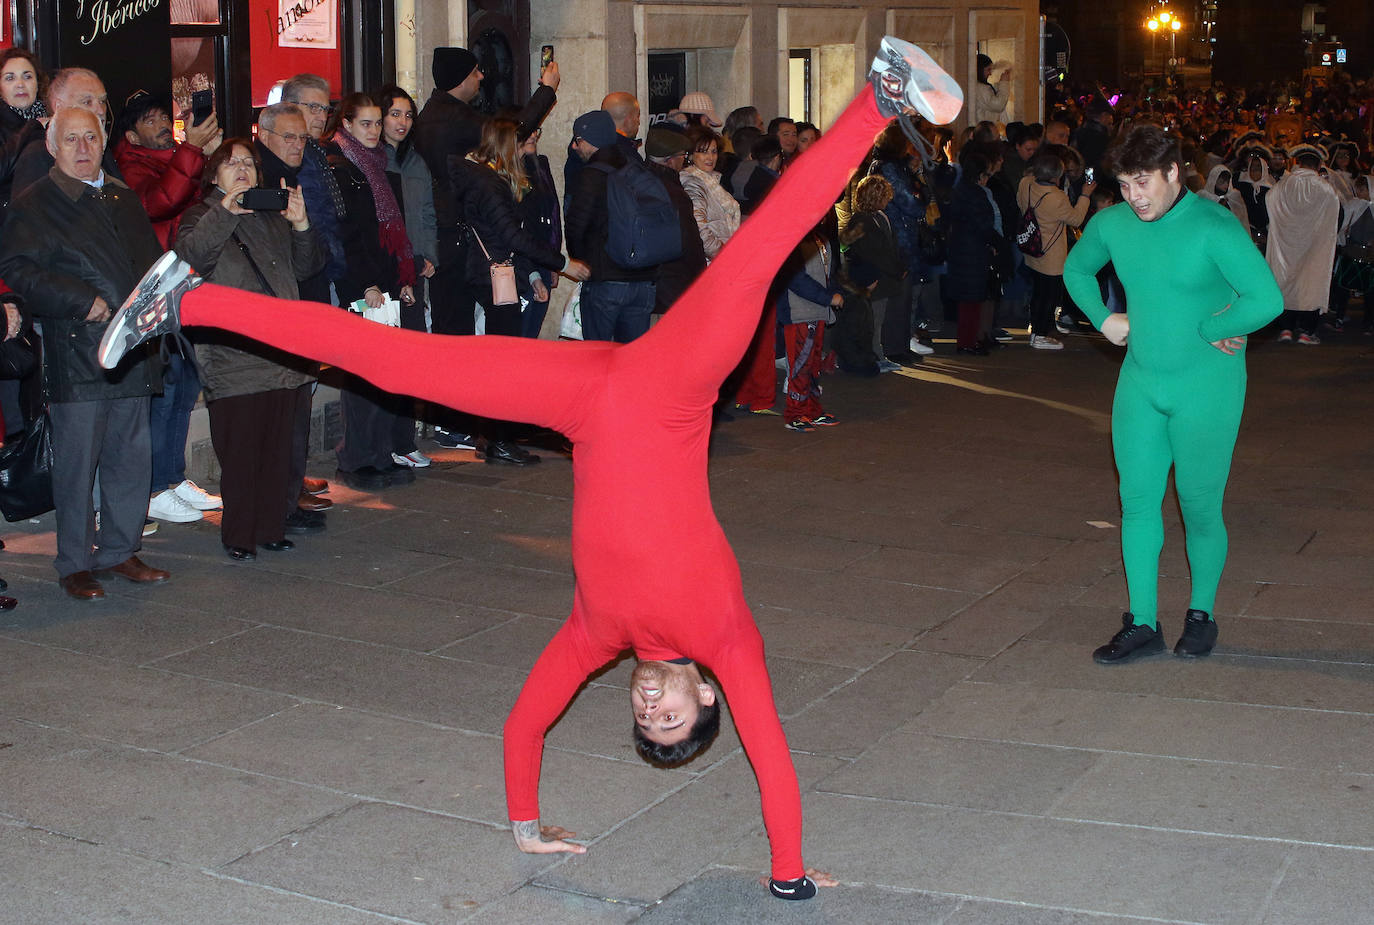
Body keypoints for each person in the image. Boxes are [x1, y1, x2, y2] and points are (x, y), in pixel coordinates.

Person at [102, 35, 962, 898]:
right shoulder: (726, 642)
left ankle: (189, 298)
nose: (652, 710)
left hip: (585, 400)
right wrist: (787, 875)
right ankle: (880, 94)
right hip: (670, 392)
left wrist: (525, 823)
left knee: (394, 361)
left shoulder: (597, 630)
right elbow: (772, 754)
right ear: (706, 697)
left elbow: (525, 722)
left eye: (645, 724)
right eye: (673, 721)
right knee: (759, 253)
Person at [1063, 124, 1282, 664]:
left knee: (1199, 507)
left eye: (1143, 183)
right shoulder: (1113, 223)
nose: (1134, 196)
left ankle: (1201, 613)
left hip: (1206, 388)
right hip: (1139, 384)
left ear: (1171, 173)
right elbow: (1076, 268)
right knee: (1137, 504)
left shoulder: (1213, 225)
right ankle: (1142, 622)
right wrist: (1103, 318)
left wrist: (1215, 328)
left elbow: (1267, 298)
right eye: (1125, 184)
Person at [0, 107, 172, 601]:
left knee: (130, 458)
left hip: (133, 348)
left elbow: (147, 264)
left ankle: (120, 550)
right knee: (76, 464)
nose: (81, 148)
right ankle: (74, 562)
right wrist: (81, 301)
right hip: (77, 350)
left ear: (104, 142)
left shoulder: (121, 196)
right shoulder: (35, 202)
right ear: (51, 147)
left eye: (90, 138)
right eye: (70, 139)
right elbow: (19, 270)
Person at [173, 139, 324, 560]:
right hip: (234, 356)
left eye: (248, 163)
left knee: (280, 449)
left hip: (284, 352)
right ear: (214, 174)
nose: (241, 169)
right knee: (240, 451)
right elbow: (189, 260)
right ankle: (239, 534)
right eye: (231, 162)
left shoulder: (271, 216)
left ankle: (272, 525)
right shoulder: (201, 216)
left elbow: (307, 267)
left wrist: (300, 225)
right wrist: (225, 214)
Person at [113, 89, 225, 526]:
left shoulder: (183, 156)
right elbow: (160, 202)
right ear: (130, 132)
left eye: (165, 115)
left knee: (185, 386)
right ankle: (155, 486)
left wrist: (208, 156)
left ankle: (172, 476)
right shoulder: (130, 166)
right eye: (150, 118)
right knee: (167, 388)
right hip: (159, 288)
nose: (162, 123)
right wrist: (194, 152)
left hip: (190, 285)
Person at [452, 116, 590, 464]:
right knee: (505, 361)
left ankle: (496, 437)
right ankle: (499, 440)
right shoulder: (488, 183)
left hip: (497, 274)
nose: (526, 150)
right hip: (494, 276)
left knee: (503, 358)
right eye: (520, 144)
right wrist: (561, 263)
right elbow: (513, 236)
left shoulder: (486, 178)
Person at [323, 93, 419, 489]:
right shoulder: (340, 166)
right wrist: (366, 284)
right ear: (345, 124)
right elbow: (347, 236)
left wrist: (402, 278)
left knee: (385, 373)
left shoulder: (377, 165)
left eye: (377, 123)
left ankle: (378, 454)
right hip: (360, 284)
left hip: (385, 281)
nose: (374, 130)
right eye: (366, 123)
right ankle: (357, 459)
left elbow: (392, 231)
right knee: (362, 377)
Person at [254, 100, 332, 530]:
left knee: (296, 405)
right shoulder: (263, 181)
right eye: (289, 136)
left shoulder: (295, 175)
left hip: (300, 302)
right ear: (263, 136)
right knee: (280, 410)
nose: (298, 144)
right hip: (279, 309)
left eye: (302, 137)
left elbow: (310, 253)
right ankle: (278, 503)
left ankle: (287, 497)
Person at [377, 84, 437, 470]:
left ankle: (404, 439)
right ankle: (385, 443)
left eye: (408, 115)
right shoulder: (373, 160)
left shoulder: (417, 160)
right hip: (385, 271)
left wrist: (430, 254)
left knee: (412, 358)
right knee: (385, 361)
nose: (401, 122)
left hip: (416, 267)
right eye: (395, 114)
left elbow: (428, 211)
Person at [564, 109, 659, 343]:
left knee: (597, 358)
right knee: (632, 361)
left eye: (578, 141)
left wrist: (579, 260)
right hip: (644, 280)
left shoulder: (591, 175)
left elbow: (577, 224)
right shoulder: (637, 169)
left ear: (592, 140)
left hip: (606, 281)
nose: (575, 148)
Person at [1018, 149, 1095, 350]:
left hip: (1032, 248)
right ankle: (1040, 335)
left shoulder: (1025, 184)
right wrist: (1085, 196)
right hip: (1051, 256)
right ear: (1056, 176)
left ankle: (1038, 329)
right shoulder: (1056, 197)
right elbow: (1076, 219)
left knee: (1038, 293)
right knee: (1048, 296)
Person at [1265, 143, 1340, 345]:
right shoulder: (1325, 188)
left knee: (1287, 282)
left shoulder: (1285, 184)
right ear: (1317, 165)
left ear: (1298, 162)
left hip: (1287, 246)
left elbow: (1270, 199)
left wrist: (1284, 226)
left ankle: (1287, 329)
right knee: (1311, 283)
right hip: (1315, 247)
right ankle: (1307, 332)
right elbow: (1335, 214)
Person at [777, 220, 841, 430]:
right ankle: (795, 414)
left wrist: (831, 294)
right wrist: (827, 297)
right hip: (799, 313)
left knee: (813, 365)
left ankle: (811, 410)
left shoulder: (817, 236)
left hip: (816, 312)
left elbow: (826, 272)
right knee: (801, 365)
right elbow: (795, 279)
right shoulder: (793, 237)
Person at [514, 125, 561, 337]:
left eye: (536, 131)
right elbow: (517, 228)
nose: (533, 135)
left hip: (543, 259)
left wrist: (553, 261)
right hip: (520, 266)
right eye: (528, 131)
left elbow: (552, 213)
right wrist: (532, 272)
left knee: (532, 334)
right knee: (521, 336)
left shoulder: (540, 165)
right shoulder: (506, 172)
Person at [678, 124, 741, 261]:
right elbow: (698, 226)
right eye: (703, 152)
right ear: (690, 155)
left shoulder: (712, 181)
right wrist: (721, 253)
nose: (710, 157)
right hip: (711, 262)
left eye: (713, 151)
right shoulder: (692, 182)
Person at [0, 47, 47, 212]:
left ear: (37, 83)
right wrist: (33, 127)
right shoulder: (36, 126)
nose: (20, 84)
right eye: (10, 78)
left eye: (27, 76)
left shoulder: (54, 119)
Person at [971, 54, 1011, 129]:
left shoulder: (979, 86)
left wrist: (1001, 83)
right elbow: (998, 105)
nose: (990, 73)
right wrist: (1004, 82)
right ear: (979, 70)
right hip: (984, 130)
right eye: (988, 69)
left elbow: (991, 97)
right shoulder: (980, 88)